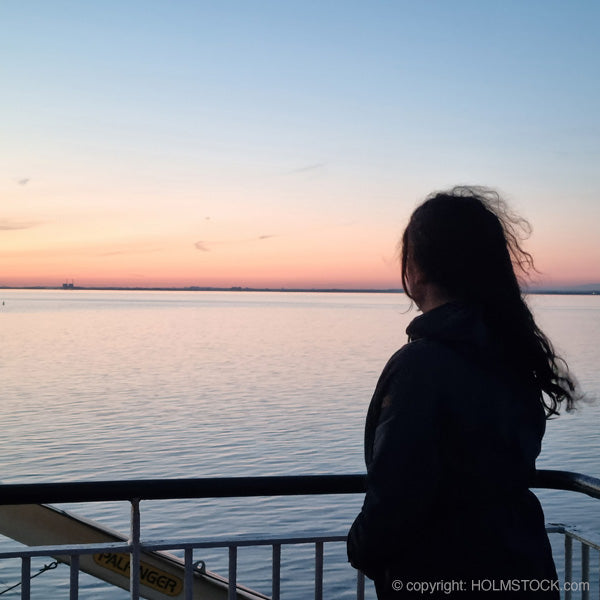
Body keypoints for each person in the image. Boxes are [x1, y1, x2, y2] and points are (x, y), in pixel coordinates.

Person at [347, 186, 577, 598]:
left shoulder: (421, 367)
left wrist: (361, 547)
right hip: (523, 568)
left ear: (417, 267)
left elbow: (397, 493)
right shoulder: (511, 353)